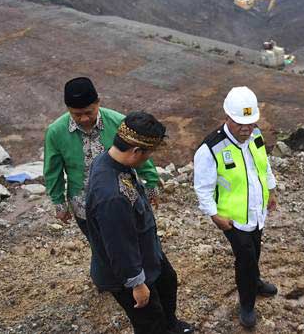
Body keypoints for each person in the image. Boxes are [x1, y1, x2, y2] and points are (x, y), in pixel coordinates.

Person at [85, 112, 193, 334]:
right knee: (149, 322)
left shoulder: (110, 159)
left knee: (168, 281)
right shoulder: (113, 195)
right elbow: (119, 247)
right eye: (149, 153)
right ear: (136, 151)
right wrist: (137, 284)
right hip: (128, 272)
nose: (149, 158)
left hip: (147, 253)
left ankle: (171, 326)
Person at [193, 86, 278, 328]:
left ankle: (255, 280)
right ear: (227, 117)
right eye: (240, 123)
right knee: (245, 258)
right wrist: (214, 215)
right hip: (232, 218)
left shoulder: (255, 135)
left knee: (255, 248)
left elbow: (264, 165)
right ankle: (247, 302)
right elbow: (203, 187)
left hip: (257, 211)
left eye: (250, 123)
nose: (246, 129)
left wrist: (271, 190)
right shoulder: (211, 148)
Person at [43, 77, 160, 237]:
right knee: (101, 248)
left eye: (89, 112)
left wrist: (151, 184)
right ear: (68, 108)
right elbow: (53, 171)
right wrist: (59, 204)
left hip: (124, 199)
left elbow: (140, 154)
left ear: (98, 102)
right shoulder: (56, 132)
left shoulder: (119, 122)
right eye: (77, 114)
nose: (84, 118)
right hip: (84, 205)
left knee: (135, 240)